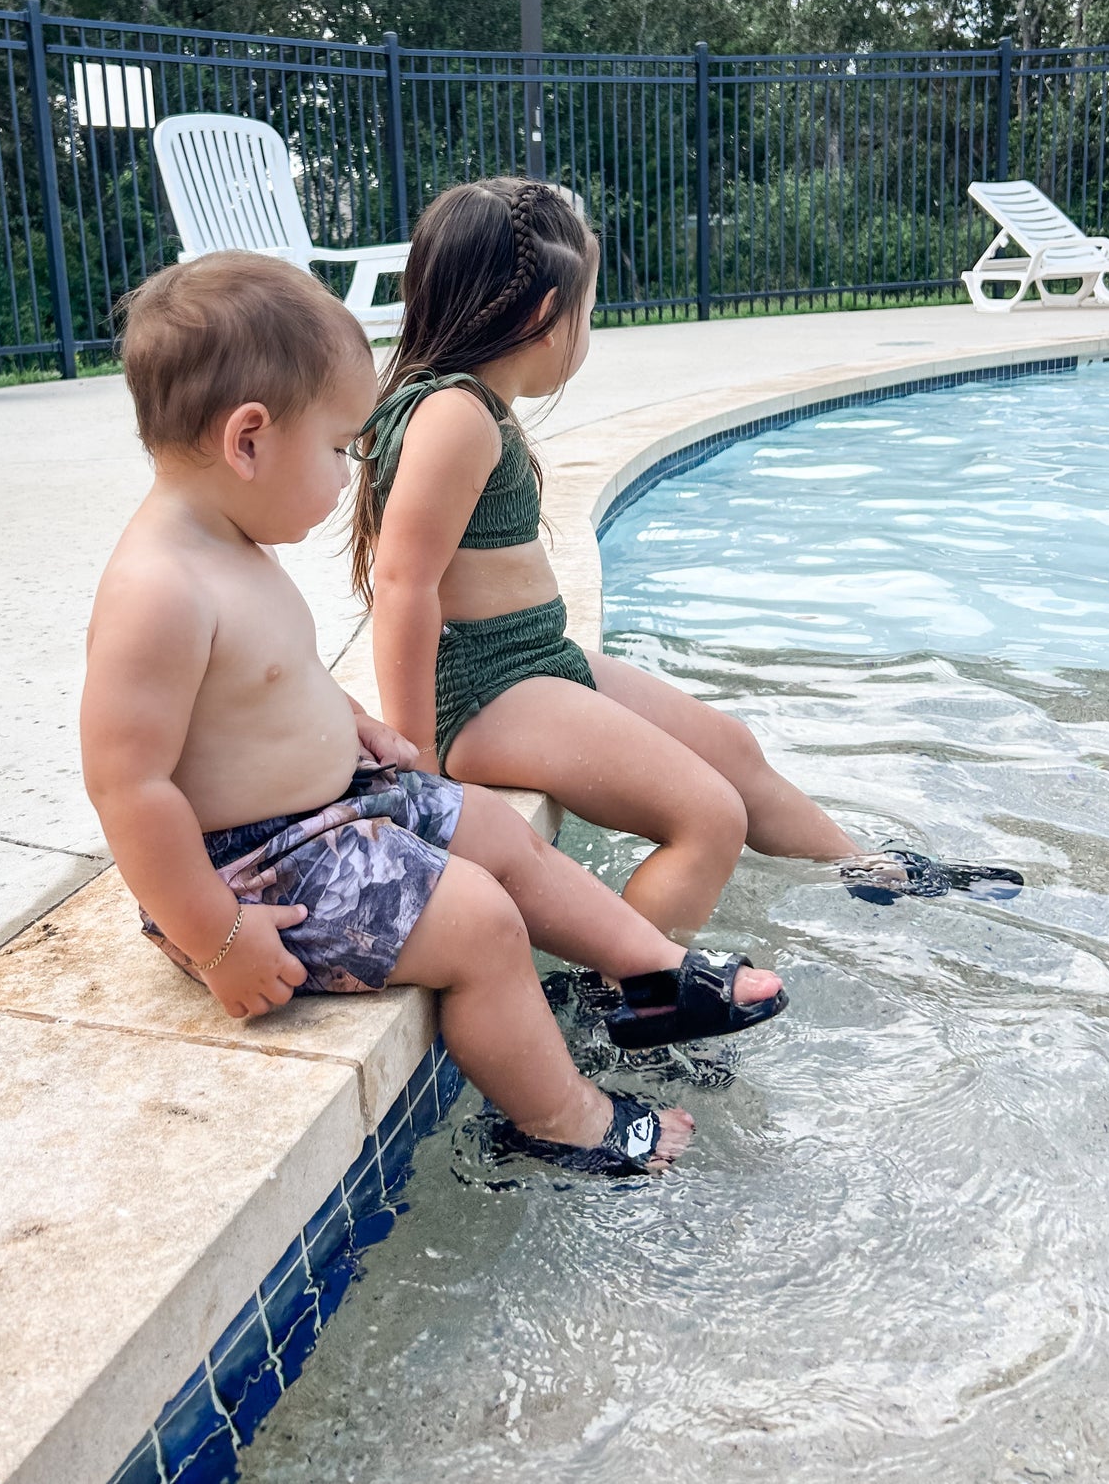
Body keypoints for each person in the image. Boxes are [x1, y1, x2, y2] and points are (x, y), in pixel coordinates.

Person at [79, 253, 788, 1183]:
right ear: (247, 440)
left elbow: (260, 680)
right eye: (338, 449)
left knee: (497, 830)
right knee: (482, 924)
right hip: (256, 874)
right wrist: (217, 937)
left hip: (327, 812)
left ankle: (649, 971)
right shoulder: (157, 590)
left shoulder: (230, 540)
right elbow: (129, 785)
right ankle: (562, 1120)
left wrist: (352, 723)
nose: (349, 478)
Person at [351, 178, 1023, 934]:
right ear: (546, 316)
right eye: (589, 310)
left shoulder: (467, 405)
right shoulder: (455, 415)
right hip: (480, 693)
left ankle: (867, 868)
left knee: (731, 750)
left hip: (527, 661)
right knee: (707, 816)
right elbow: (405, 584)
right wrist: (420, 773)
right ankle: (633, 997)